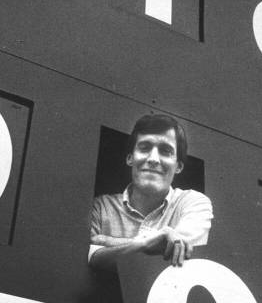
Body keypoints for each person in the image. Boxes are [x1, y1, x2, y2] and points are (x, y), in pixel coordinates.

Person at [89, 114, 212, 271]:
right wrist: (147, 244)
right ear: (130, 158)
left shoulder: (194, 202)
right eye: (145, 148)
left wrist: (107, 242)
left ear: (179, 166)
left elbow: (180, 250)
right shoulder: (101, 207)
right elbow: (90, 259)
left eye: (166, 151)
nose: (153, 159)